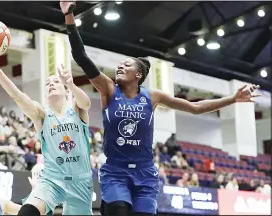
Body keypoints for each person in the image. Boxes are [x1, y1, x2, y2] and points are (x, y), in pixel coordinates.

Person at [60, 1, 261, 215]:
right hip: (115, 172)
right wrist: (69, 15)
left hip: (145, 173)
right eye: (120, 64)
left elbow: (195, 108)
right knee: (119, 209)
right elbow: (81, 56)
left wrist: (233, 99)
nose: (120, 66)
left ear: (138, 75)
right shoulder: (108, 89)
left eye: (127, 65)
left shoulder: (153, 96)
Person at [0, 46, 93, 215]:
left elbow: (87, 103)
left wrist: (72, 84)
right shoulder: (42, 114)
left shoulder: (76, 107)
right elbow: (17, 96)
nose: (51, 84)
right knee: (27, 211)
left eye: (56, 82)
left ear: (67, 91)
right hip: (52, 180)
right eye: (47, 83)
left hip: (81, 181)